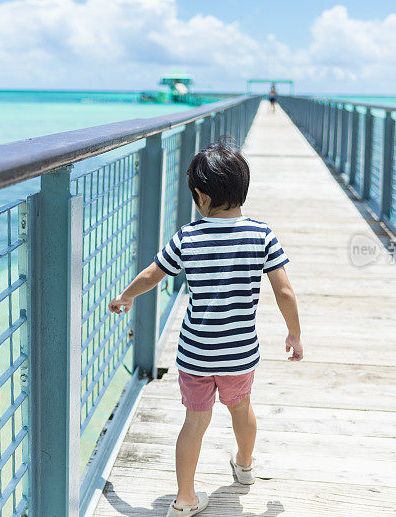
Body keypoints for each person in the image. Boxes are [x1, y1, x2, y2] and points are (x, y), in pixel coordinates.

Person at [108, 143, 304, 517]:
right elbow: (285, 292)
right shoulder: (262, 235)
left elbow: (153, 275)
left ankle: (184, 500)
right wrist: (294, 334)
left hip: (196, 354)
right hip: (239, 353)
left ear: (200, 195)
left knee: (194, 423)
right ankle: (244, 467)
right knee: (241, 407)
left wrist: (126, 296)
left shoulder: (188, 237)